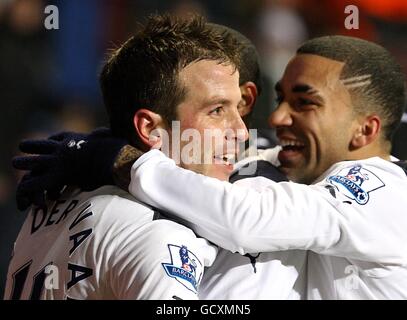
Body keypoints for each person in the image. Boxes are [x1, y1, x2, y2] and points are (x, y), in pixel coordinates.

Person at [20, 35, 407, 299]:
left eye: (305, 103)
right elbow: (246, 159)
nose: (275, 119)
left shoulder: (384, 191)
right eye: (280, 99)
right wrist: (107, 142)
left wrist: (124, 158)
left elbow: (247, 218)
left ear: (365, 129)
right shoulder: (293, 171)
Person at [4, 13, 249, 300]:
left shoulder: (57, 200)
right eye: (217, 111)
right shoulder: (160, 234)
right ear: (151, 128)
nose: (242, 132)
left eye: (239, 109)